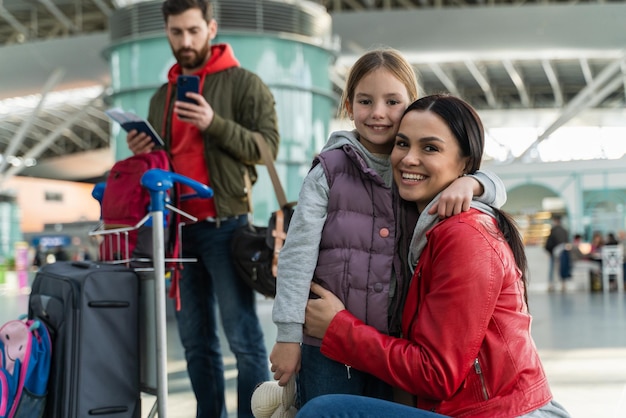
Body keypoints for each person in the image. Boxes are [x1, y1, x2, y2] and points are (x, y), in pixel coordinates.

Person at [299, 94, 571, 418]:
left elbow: (436, 373)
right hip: (470, 410)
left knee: (324, 413)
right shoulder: (425, 231)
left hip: (500, 413)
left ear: (465, 163)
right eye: (402, 144)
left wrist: (337, 327)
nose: (409, 159)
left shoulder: (465, 236)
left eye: (430, 148)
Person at [269, 50, 507, 407]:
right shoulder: (330, 171)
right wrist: (288, 335)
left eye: (392, 101)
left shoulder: (416, 170)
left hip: (392, 346)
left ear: (411, 106)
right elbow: (297, 253)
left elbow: (498, 190)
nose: (378, 113)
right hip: (326, 344)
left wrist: (472, 184)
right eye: (365, 101)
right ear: (349, 106)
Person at [125, 1, 280, 416]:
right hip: (176, 230)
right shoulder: (163, 95)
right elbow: (163, 162)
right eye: (176, 32)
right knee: (195, 342)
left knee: (243, 339)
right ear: (168, 32)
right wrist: (142, 151)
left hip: (226, 225)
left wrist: (214, 123)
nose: (185, 41)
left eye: (193, 30)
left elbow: (267, 149)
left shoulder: (246, 84)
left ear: (211, 28)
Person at [544, 214, 569, 292]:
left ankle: (551, 285)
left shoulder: (553, 230)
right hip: (563, 253)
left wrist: (549, 250)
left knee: (552, 269)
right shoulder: (565, 231)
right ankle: (563, 284)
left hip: (553, 252)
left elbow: (549, 242)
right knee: (562, 268)